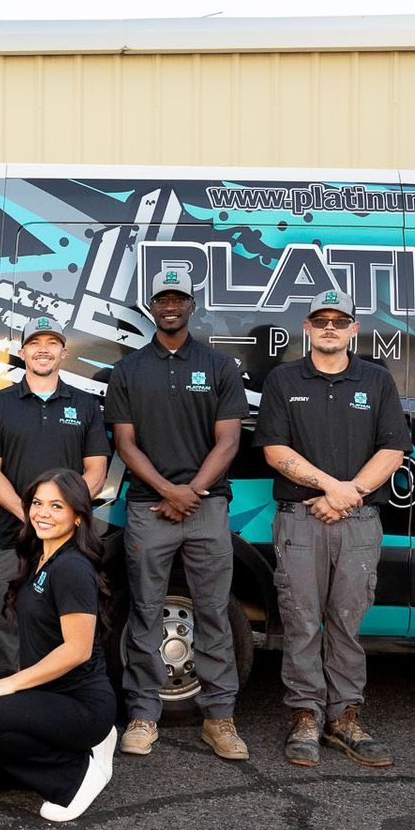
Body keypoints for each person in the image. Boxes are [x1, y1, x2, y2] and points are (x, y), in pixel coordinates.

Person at [254, 289, 408, 768]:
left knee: (347, 620)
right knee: (300, 620)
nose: (329, 328)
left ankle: (344, 716)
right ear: (306, 328)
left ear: (353, 329)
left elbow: (393, 449)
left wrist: (348, 494)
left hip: (359, 521)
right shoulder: (283, 380)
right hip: (300, 519)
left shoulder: (377, 380)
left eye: (339, 321)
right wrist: (331, 488)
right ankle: (305, 714)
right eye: (320, 321)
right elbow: (274, 450)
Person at [103, 268, 249, 760]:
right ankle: (143, 715)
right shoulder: (129, 370)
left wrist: (193, 490)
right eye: (162, 299)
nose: (170, 306)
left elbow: (229, 440)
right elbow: (125, 443)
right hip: (149, 508)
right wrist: (168, 490)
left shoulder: (219, 366)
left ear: (192, 306)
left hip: (207, 507)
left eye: (178, 298)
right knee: (145, 611)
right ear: (152, 307)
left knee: (213, 612)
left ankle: (219, 718)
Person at [0, 470, 118, 822]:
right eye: (38, 503)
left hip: (81, 704)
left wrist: (9, 683)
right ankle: (79, 751)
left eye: (57, 506)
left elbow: (77, 650)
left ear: (78, 515)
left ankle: (75, 775)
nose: (43, 513)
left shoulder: (72, 567)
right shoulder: (40, 556)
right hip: (47, 697)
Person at [0, 315, 110, 676]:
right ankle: (7, 700)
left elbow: (96, 471)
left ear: (64, 352)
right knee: (10, 629)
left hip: (70, 543)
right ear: (22, 352)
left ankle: (63, 700)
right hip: (13, 538)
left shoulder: (85, 405)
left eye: (51, 343)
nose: (43, 350)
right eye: (34, 343)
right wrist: (32, 515)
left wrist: (60, 515)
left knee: (70, 627)